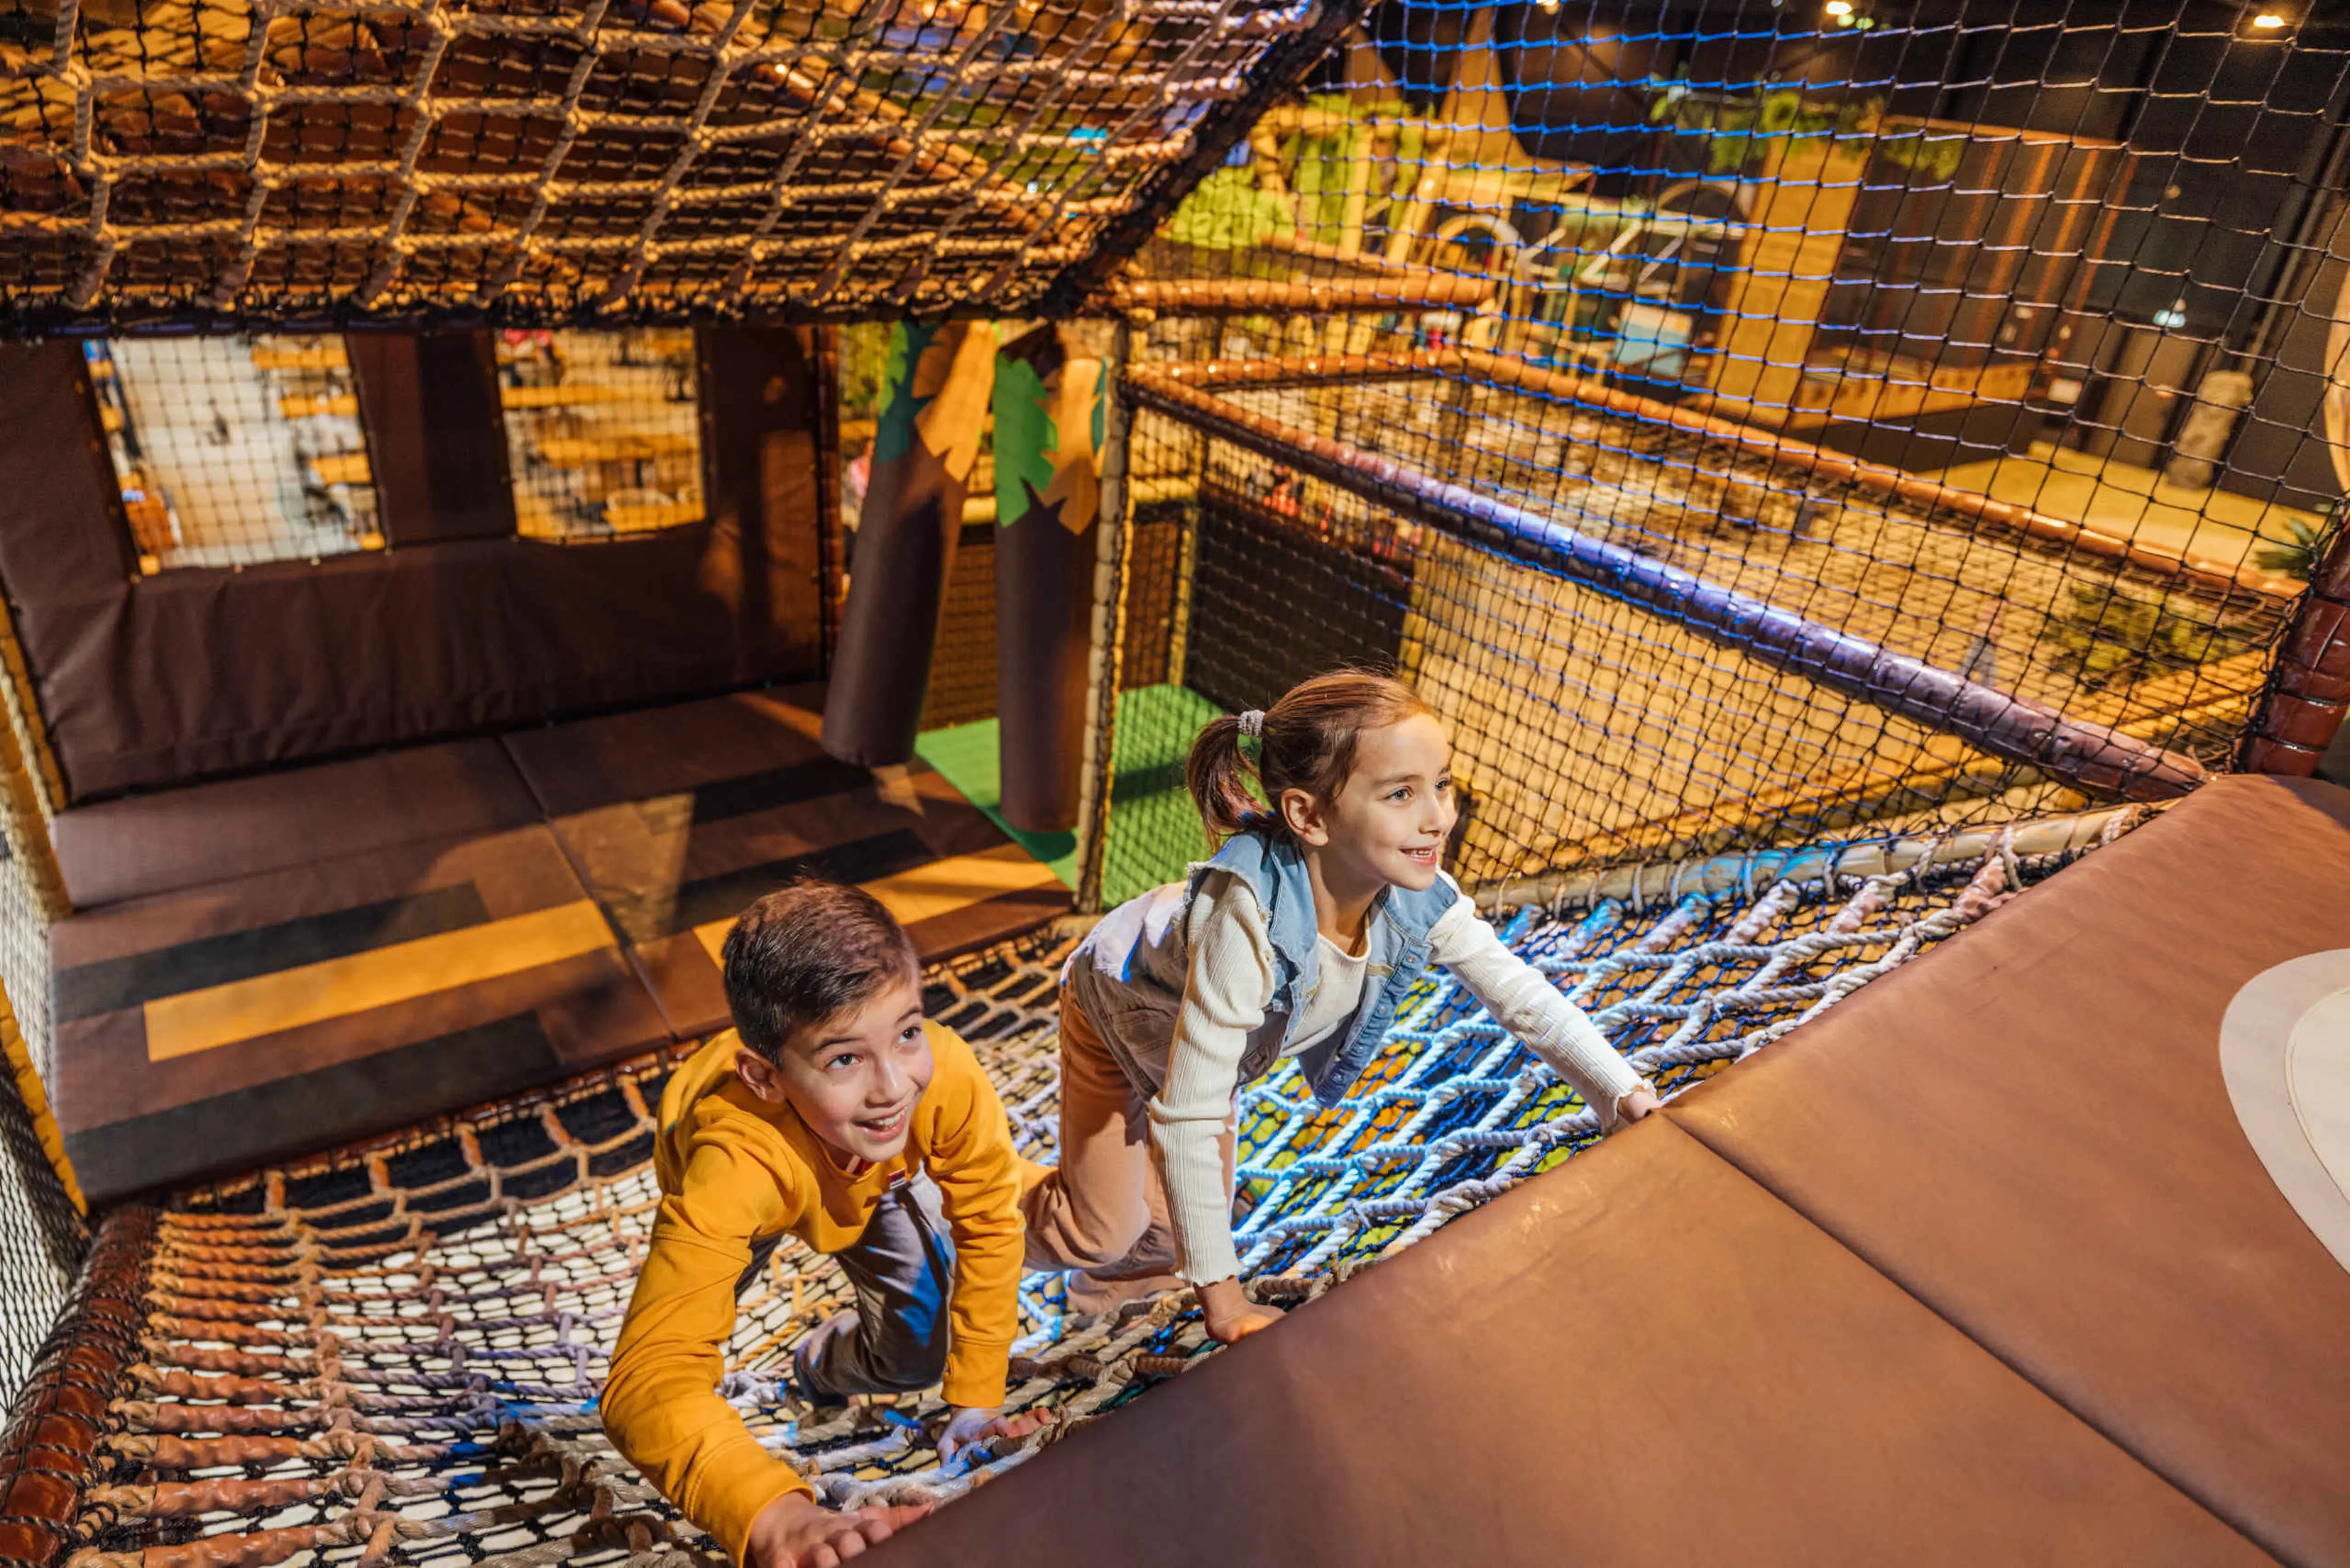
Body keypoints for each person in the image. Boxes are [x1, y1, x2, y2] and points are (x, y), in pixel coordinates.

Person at [1022, 670, 1661, 1343]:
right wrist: (1227, 1305)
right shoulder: (1244, 923)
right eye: (1401, 794)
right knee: (1100, 1229)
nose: (1438, 817)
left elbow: (1522, 997)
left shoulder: (1418, 894)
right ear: (1309, 816)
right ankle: (971, 1210)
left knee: (1168, 1223)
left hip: (1203, 1032)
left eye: (1441, 784)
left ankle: (1109, 1303)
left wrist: (1622, 1095)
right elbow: (1189, 1117)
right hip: (1116, 1006)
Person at [603, 880, 1040, 1568]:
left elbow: (989, 1220)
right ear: (765, 1077)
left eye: (907, 1032)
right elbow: (646, 1377)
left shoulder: (938, 1081)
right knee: (691, 1330)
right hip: (753, 1197)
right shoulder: (733, 1164)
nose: (892, 1087)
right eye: (845, 1058)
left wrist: (978, 1401)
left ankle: (816, 1363)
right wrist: (776, 1518)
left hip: (874, 1174)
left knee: (917, 1356)